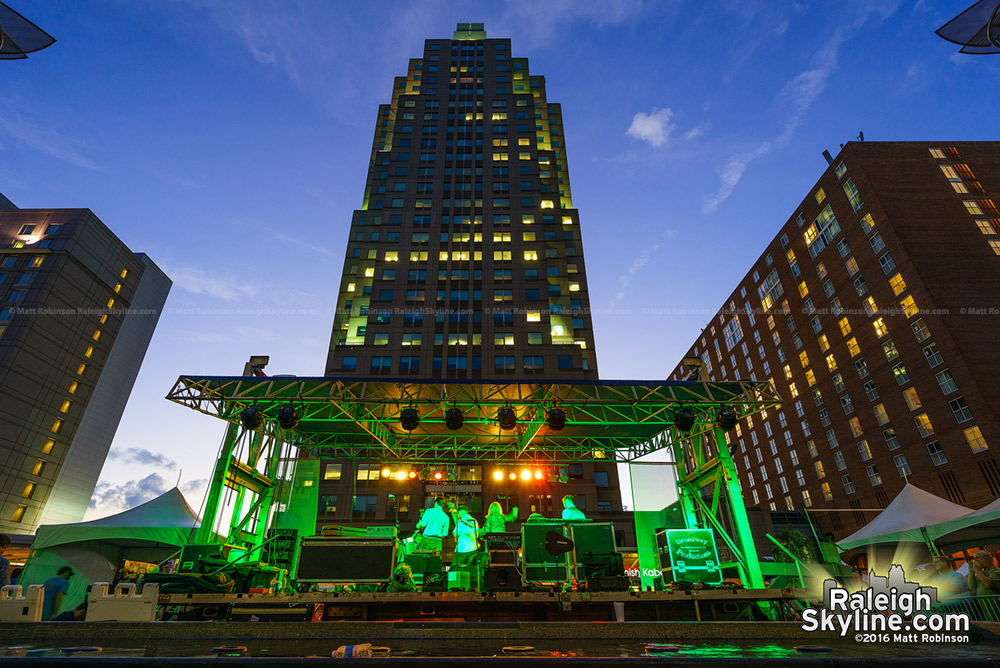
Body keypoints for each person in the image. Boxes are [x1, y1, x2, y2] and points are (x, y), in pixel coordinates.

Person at [451, 506, 481, 588]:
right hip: (473, 548)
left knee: (455, 568)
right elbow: (477, 534)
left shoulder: (460, 521)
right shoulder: (474, 520)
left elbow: (456, 534)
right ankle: (472, 587)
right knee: (472, 569)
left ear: (461, 512)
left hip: (462, 549)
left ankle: (455, 586)